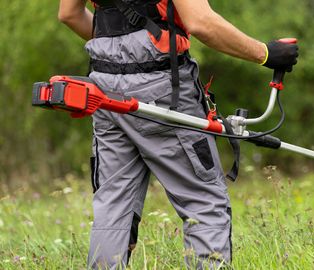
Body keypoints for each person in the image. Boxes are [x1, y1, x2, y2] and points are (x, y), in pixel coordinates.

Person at [58, 0, 298, 269]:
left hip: (103, 86)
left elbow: (69, 14)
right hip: (162, 87)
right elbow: (201, 23)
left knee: (113, 206)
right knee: (203, 202)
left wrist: (120, 49)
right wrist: (266, 54)